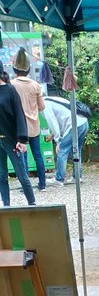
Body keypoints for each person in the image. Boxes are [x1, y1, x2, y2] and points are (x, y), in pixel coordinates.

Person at [11, 48, 47, 192]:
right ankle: (42, 184)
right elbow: (42, 107)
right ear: (28, 69)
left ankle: (26, 187)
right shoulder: (35, 85)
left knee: (22, 157)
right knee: (38, 155)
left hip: (19, 128)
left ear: (15, 69)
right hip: (34, 126)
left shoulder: (11, 85)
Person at [0, 70, 36, 207]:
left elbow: (20, 115)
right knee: (2, 176)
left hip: (12, 141)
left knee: (22, 175)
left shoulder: (10, 90)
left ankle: (32, 204)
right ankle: (6, 206)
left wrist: (22, 139)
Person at [43, 95, 89, 186]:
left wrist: (58, 140)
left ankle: (59, 179)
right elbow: (62, 118)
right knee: (76, 150)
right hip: (83, 122)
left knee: (62, 150)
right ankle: (77, 177)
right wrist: (53, 134)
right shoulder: (51, 99)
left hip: (75, 125)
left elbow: (53, 123)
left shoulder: (45, 105)